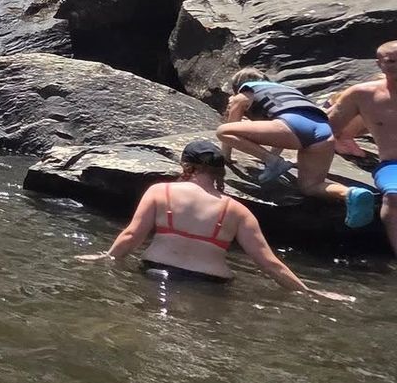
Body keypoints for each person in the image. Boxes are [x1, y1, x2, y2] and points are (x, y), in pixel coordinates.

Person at [81, 139, 350, 300]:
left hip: (155, 274)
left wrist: (106, 257)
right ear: (220, 172)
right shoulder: (237, 210)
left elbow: (131, 236)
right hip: (210, 286)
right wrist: (308, 292)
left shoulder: (160, 191)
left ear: (186, 166)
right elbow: (269, 263)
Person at [217, 69, 352, 199]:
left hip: (292, 127)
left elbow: (230, 126)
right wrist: (274, 154)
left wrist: (226, 158)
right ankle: (351, 193)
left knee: (223, 131)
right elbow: (282, 127)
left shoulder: (244, 94)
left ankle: (273, 162)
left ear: (237, 86)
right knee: (311, 186)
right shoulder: (286, 90)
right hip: (324, 133)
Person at [325, 40, 397, 247]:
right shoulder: (362, 94)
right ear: (379, 64)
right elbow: (325, 126)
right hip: (393, 165)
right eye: (391, 61)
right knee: (394, 197)